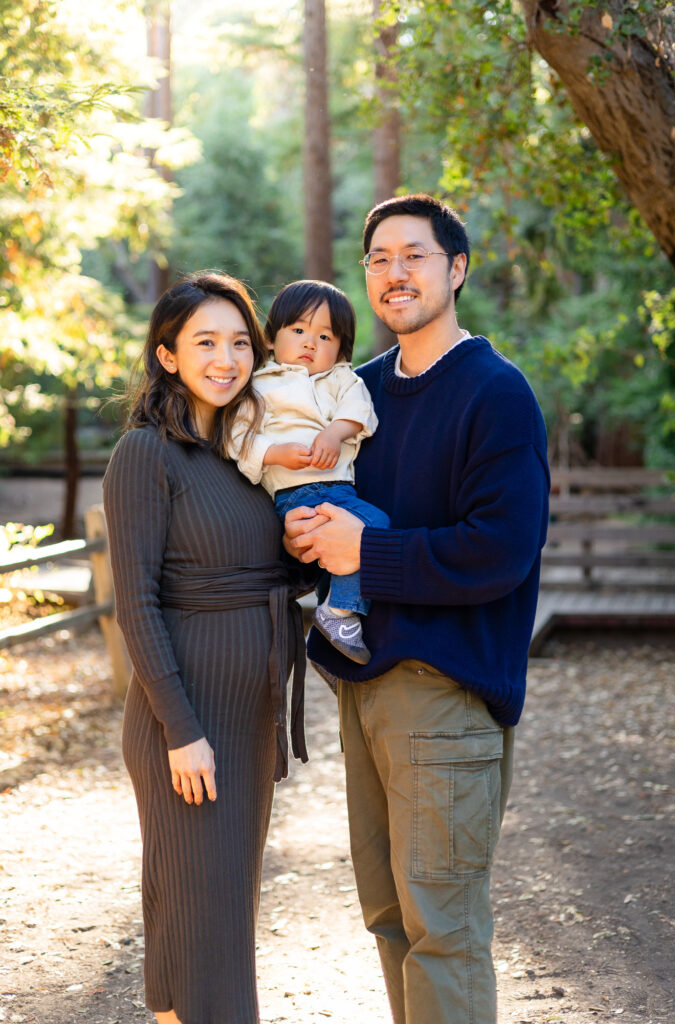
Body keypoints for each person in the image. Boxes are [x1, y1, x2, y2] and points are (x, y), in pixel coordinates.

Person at [285, 194, 550, 1024]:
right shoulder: (351, 393)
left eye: (415, 255)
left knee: (442, 927)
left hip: (443, 690)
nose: (395, 273)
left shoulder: (496, 393)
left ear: (455, 268)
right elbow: (313, 498)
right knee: (390, 919)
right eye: (379, 259)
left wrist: (368, 553)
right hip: (361, 688)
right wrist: (304, 531)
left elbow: (499, 551)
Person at [103, 271, 307, 1024]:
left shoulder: (249, 455)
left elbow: (279, 567)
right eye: (204, 343)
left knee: (212, 913)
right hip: (185, 722)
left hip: (249, 716)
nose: (226, 359)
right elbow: (138, 605)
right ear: (166, 356)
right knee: (201, 915)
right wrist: (182, 733)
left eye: (239, 343)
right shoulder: (145, 456)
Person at [228, 279, 389, 665]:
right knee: (376, 528)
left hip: (337, 491)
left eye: (324, 336)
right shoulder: (258, 387)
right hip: (294, 495)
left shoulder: (341, 379)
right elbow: (237, 439)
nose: (309, 343)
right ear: (270, 339)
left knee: (341, 556)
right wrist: (275, 453)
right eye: (298, 330)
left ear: (341, 348)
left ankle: (331, 645)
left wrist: (334, 434)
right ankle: (338, 614)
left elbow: (360, 411)